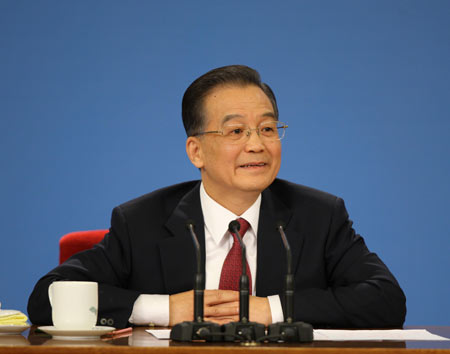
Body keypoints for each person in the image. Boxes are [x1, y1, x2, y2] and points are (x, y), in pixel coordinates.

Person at [28, 65, 406, 329]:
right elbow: (47, 298)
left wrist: (272, 309)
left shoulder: (319, 216)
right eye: (236, 131)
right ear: (196, 152)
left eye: (268, 128)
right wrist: (164, 308)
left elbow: (386, 299)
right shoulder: (141, 222)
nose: (256, 144)